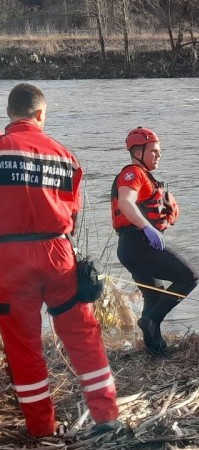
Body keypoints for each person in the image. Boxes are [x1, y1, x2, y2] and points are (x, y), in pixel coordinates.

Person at [0, 83, 120, 437]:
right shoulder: (65, 155)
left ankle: (42, 428)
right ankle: (106, 418)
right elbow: (73, 213)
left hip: (10, 257)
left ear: (10, 114)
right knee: (82, 334)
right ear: (40, 115)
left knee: (24, 346)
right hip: (58, 252)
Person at [111, 127, 199, 357]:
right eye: (154, 151)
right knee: (189, 277)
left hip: (132, 247)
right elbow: (126, 203)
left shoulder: (147, 178)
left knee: (154, 295)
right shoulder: (133, 174)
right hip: (139, 244)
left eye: (159, 151)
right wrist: (148, 228)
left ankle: (156, 351)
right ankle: (151, 320)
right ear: (138, 152)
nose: (159, 155)